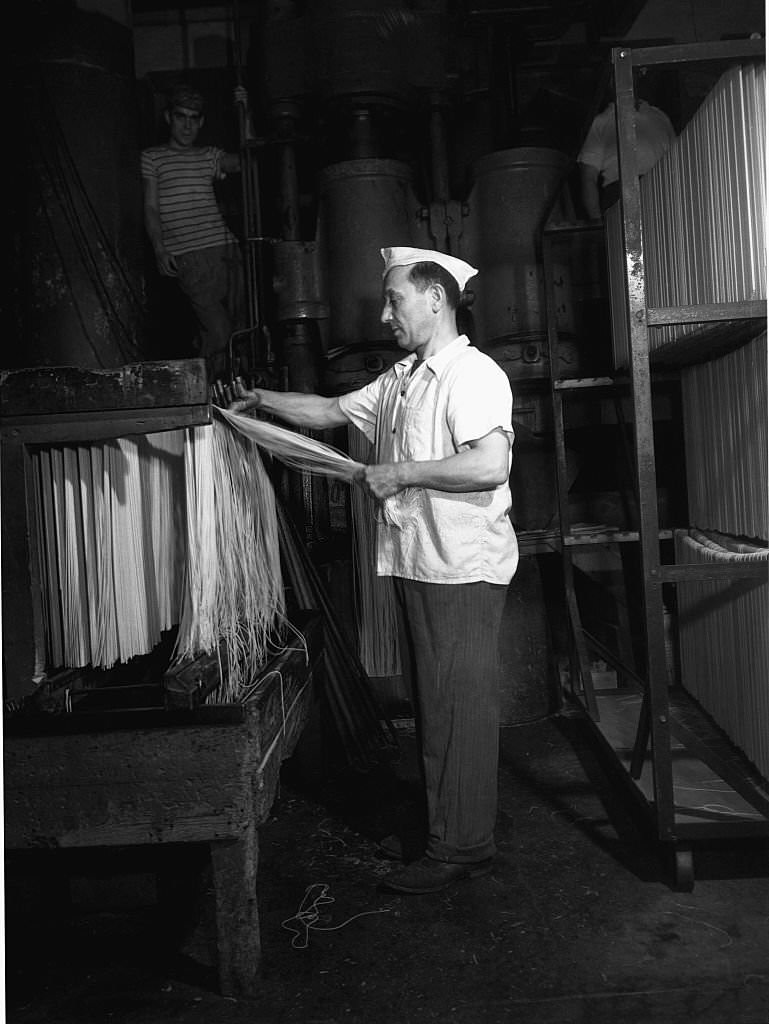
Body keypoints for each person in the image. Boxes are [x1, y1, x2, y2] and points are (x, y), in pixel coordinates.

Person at [229, 245, 519, 895]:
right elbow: (330, 413)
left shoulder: (469, 376)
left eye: (395, 300)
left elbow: (489, 466)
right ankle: (445, 830)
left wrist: (402, 472)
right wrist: (258, 402)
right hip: (425, 564)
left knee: (457, 712)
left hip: (462, 570)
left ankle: (462, 848)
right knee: (436, 710)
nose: (385, 314)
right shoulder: (403, 380)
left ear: (435, 299)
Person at [141, 82, 251, 376]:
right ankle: (213, 401)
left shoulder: (208, 156)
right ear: (169, 118)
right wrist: (159, 248)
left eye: (193, 118)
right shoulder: (153, 158)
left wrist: (245, 113)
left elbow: (246, 160)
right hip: (189, 258)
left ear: (201, 122)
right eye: (181, 117)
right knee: (219, 332)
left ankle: (241, 394)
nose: (187, 126)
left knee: (244, 329)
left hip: (227, 251)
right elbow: (151, 208)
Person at [577, 90, 675, 219]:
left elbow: (677, 161)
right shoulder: (600, 122)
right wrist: (597, 223)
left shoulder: (660, 116)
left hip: (664, 193)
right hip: (621, 195)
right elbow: (589, 178)